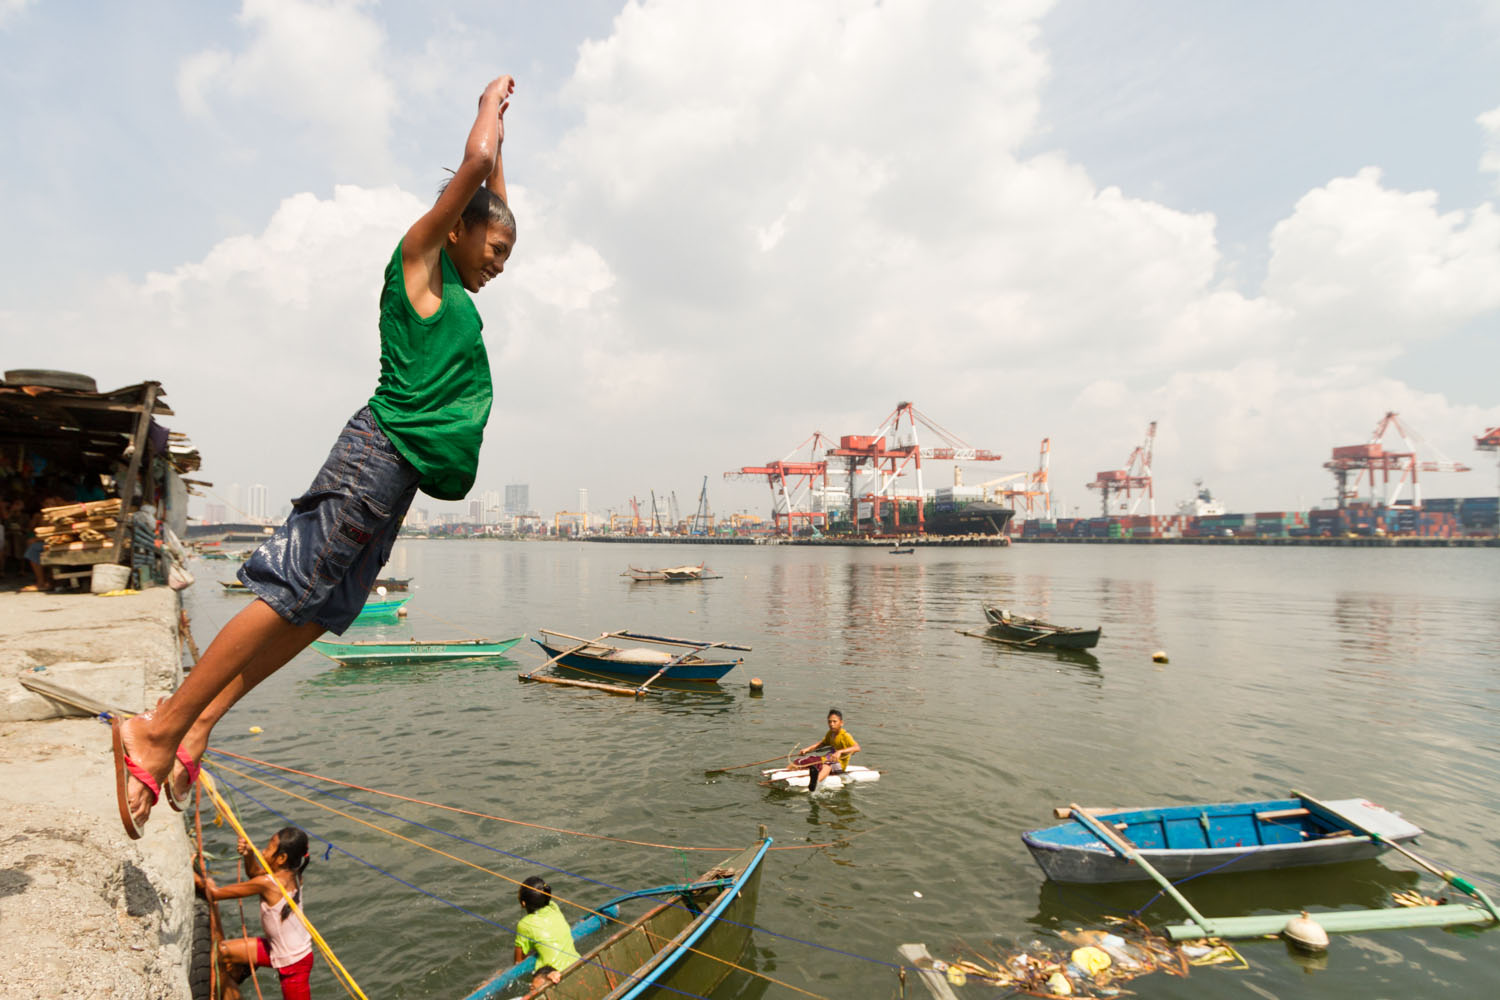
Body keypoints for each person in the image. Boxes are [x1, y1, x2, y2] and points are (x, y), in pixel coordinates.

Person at [111, 74, 519, 839]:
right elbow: (474, 176)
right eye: (494, 247)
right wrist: (487, 113)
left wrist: (503, 156)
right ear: (458, 229)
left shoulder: (461, 283)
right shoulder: (420, 263)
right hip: (374, 457)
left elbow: (492, 192)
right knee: (287, 588)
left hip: (395, 481)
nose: (500, 262)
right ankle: (157, 729)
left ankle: (200, 726)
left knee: (321, 611)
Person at [195, 826, 313, 1000]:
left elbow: (214, 894)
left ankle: (233, 981)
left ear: (281, 858)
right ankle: (231, 991)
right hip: (276, 949)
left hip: (294, 963)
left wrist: (195, 874)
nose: (262, 851)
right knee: (220, 953)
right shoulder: (292, 874)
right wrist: (248, 854)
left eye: (268, 849)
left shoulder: (269, 883)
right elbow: (254, 874)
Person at [514, 875, 580, 993]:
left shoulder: (524, 924)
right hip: (577, 965)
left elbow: (518, 962)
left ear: (523, 904)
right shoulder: (554, 907)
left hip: (550, 977)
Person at [796, 707, 861, 792]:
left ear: (841, 723)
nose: (831, 724)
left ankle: (815, 783)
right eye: (829, 721)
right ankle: (786, 771)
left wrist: (840, 752)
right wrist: (807, 749)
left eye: (834, 721)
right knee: (804, 760)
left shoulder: (845, 736)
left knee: (828, 764)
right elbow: (821, 744)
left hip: (839, 763)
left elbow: (857, 748)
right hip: (827, 758)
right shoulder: (830, 734)